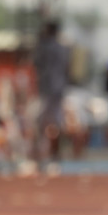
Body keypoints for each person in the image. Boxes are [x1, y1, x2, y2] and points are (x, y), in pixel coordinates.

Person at [31, 21, 69, 162]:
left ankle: (40, 153)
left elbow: (36, 62)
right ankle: (55, 153)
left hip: (47, 88)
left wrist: (39, 40)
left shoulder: (44, 47)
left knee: (39, 121)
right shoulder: (62, 48)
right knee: (57, 120)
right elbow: (67, 67)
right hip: (58, 88)